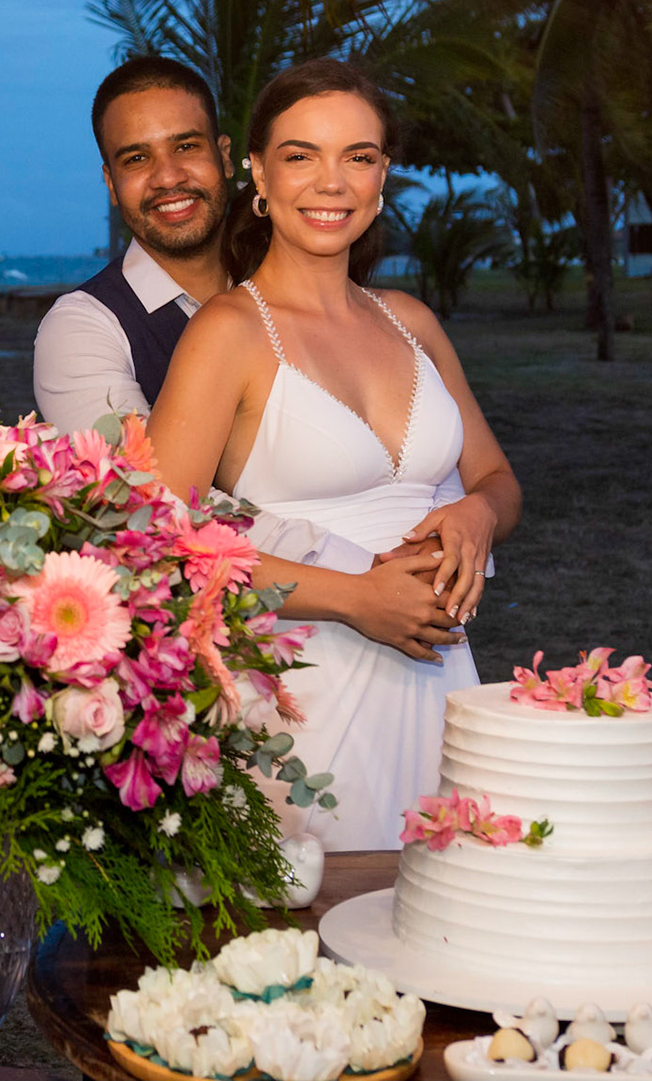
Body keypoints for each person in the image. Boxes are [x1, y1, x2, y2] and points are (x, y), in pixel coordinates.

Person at [148, 58, 522, 850]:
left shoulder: (411, 321)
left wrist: (476, 514)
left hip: (441, 679)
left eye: (358, 156)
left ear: (382, 175)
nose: (332, 182)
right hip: (306, 699)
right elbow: (155, 545)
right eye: (300, 155)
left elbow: (496, 477)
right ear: (254, 171)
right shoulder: (228, 333)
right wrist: (354, 597)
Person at [33, 56, 454, 574]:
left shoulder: (299, 286)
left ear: (228, 157)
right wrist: (365, 566)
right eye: (136, 159)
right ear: (110, 181)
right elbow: (142, 510)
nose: (169, 177)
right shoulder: (84, 328)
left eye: (186, 146)